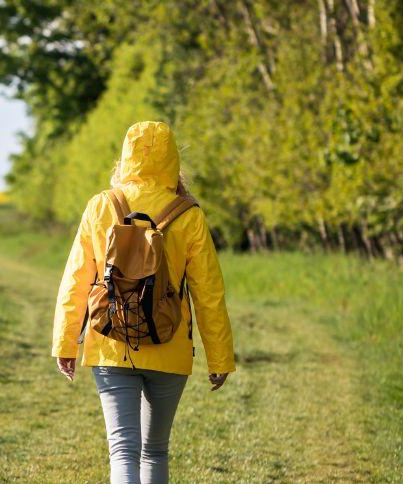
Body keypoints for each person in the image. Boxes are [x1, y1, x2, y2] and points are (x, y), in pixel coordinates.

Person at [50, 121, 236, 484]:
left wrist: (65, 342)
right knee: (155, 451)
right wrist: (220, 358)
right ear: (172, 162)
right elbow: (208, 294)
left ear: (125, 159)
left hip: (110, 343)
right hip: (170, 345)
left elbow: (76, 279)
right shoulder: (189, 214)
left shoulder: (102, 206)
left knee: (123, 449)